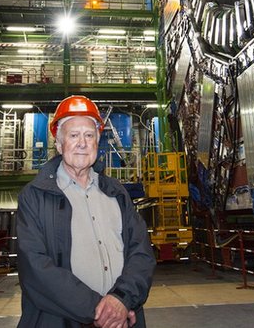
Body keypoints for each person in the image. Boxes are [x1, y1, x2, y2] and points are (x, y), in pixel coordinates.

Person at [16, 95, 155, 328]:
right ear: (59, 144)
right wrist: (101, 312)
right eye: (73, 135)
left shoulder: (117, 193)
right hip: (60, 321)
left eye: (89, 135)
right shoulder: (34, 197)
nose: (82, 143)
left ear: (97, 141)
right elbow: (35, 268)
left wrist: (122, 299)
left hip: (123, 319)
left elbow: (141, 253)